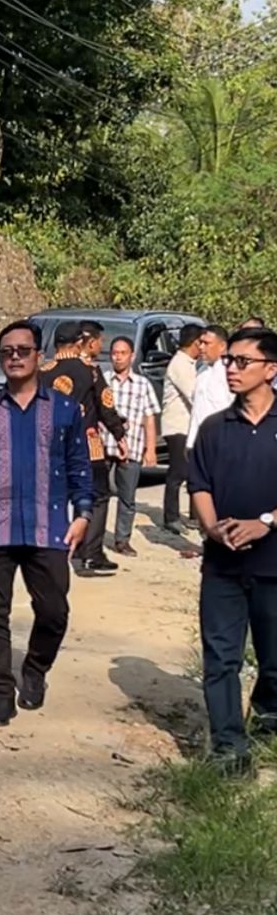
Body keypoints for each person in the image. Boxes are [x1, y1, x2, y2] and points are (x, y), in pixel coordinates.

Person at [0, 320, 93, 726]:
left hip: (47, 527)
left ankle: (35, 670)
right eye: (7, 352)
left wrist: (83, 514)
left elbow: (79, 465)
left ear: (39, 356)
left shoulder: (65, 410)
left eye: (23, 350)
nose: (15, 357)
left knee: (53, 611)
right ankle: (0, 694)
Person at [187, 327, 277, 775]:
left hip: (273, 565)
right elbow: (199, 485)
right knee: (221, 659)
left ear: (271, 369)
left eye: (243, 362)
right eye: (229, 361)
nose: (232, 369)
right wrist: (211, 528)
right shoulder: (214, 427)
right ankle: (228, 747)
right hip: (222, 565)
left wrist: (266, 522)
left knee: (273, 661)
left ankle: (267, 719)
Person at [42, 321, 127, 576]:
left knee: (56, 497)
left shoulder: (42, 372)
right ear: (80, 343)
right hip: (87, 446)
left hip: (51, 447)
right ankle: (91, 553)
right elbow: (105, 405)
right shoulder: (89, 371)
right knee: (97, 496)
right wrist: (119, 434)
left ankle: (56, 549)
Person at [105, 336, 160, 557]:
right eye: (115, 353)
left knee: (127, 498)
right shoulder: (103, 380)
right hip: (104, 445)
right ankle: (91, 540)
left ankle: (122, 540)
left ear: (132, 356)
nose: (118, 357)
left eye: (123, 353)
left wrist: (151, 448)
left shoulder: (142, 384)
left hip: (133, 447)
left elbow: (149, 417)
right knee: (98, 496)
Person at [161, 324, 203, 534]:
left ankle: (195, 515)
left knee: (194, 471)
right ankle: (171, 517)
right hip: (177, 425)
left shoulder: (191, 364)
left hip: (189, 426)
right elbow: (194, 395)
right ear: (195, 343)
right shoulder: (180, 364)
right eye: (202, 343)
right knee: (177, 473)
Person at [187, 325, 231, 451]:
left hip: (221, 442)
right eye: (200, 343)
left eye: (206, 343)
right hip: (197, 442)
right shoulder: (202, 370)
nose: (201, 347)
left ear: (222, 346)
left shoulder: (229, 372)